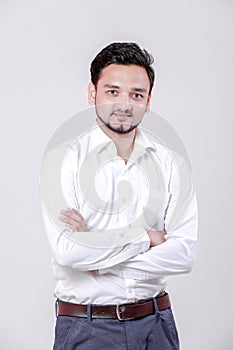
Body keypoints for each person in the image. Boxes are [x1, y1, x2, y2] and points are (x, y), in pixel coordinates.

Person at [41, 42, 198, 350]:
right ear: (92, 94)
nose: (124, 104)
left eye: (136, 94)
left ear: (148, 101)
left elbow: (183, 254)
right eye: (113, 92)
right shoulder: (61, 161)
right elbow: (68, 254)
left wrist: (97, 256)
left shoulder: (171, 163)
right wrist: (145, 238)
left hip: (157, 326)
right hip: (86, 329)